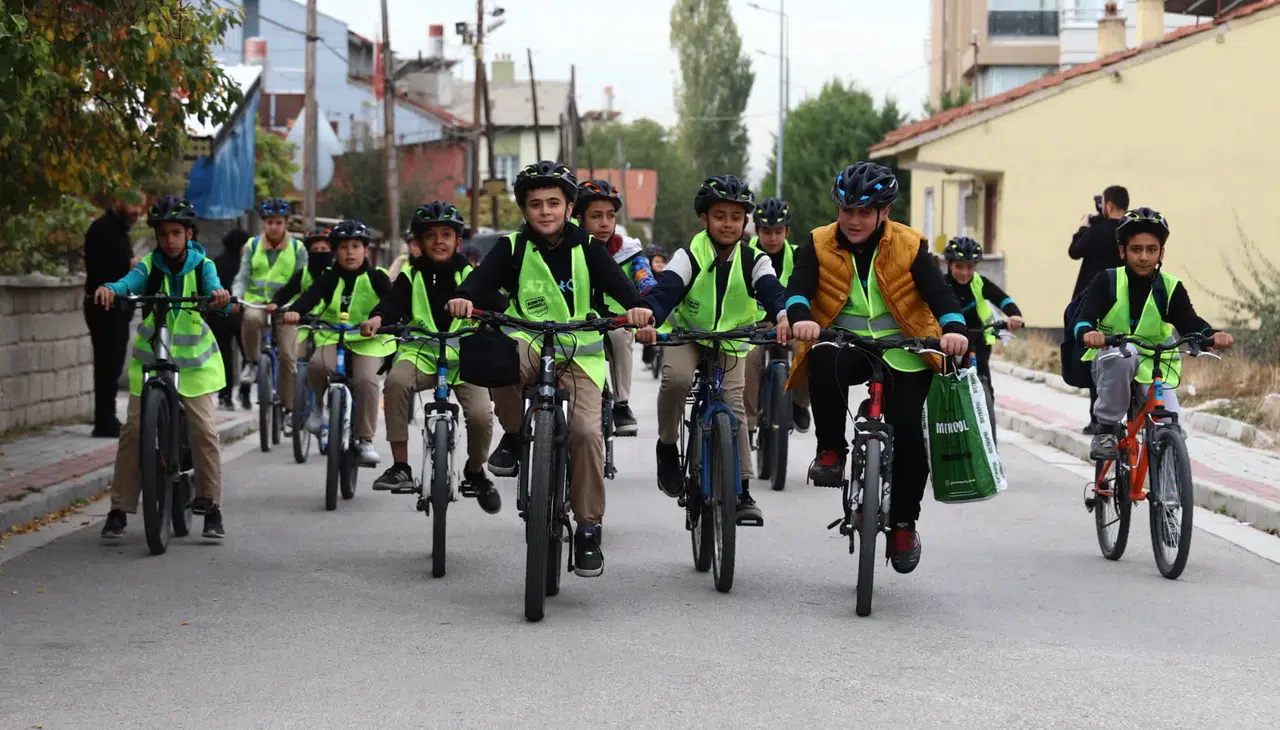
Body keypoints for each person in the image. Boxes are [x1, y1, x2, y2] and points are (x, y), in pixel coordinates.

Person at [448, 160, 654, 578]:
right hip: (529, 341)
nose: (545, 211)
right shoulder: (511, 247)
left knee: (585, 433)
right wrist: (463, 298)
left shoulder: (590, 249)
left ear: (568, 207)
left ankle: (589, 528)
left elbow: (624, 289)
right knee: (497, 358)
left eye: (554, 203)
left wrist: (639, 309)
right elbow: (477, 282)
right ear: (524, 209)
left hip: (581, 352)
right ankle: (513, 433)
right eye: (536, 204)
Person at [788, 162, 969, 575]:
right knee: (820, 357)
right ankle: (831, 451)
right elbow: (799, 287)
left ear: (884, 213)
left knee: (909, 434)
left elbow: (938, 294)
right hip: (846, 343)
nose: (853, 220)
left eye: (864, 212)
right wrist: (801, 316)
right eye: (846, 210)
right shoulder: (817, 242)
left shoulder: (910, 245)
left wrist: (953, 328)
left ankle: (904, 524)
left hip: (905, 346)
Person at [636, 175, 791, 526]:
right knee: (675, 380)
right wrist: (650, 318)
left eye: (736, 218)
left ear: (745, 222)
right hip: (690, 335)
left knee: (735, 406)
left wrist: (783, 316)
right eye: (719, 216)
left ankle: (742, 490)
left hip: (732, 340)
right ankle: (666, 447)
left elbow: (771, 291)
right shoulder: (689, 255)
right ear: (704, 219)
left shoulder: (754, 260)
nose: (728, 224)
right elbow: (666, 290)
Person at [93, 196, 232, 540]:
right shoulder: (149, 266)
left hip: (194, 366)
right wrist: (111, 290)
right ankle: (119, 509)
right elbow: (127, 284)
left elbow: (215, 290)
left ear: (188, 233)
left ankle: (211, 506)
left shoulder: (203, 266)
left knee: (204, 431)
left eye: (175, 233)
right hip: (152, 362)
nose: (168, 240)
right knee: (134, 431)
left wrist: (219, 297)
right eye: (162, 234)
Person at [362, 201, 502, 513]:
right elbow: (391, 304)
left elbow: (498, 304)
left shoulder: (471, 274)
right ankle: (400, 466)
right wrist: (376, 319)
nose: (439, 241)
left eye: (446, 234)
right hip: (421, 353)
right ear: (419, 243)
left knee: (481, 414)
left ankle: (476, 473)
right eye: (430, 236)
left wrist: (498, 317)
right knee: (395, 382)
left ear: (458, 241)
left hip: (465, 357)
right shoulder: (411, 275)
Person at [1075, 208, 1232, 460]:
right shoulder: (1107, 281)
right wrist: (1088, 333)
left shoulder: (1170, 287)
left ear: (1161, 253)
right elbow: (1084, 319)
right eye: (1136, 249)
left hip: (1156, 363)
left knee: (1172, 428)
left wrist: (1210, 335)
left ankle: (1169, 492)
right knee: (1122, 357)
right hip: (1113, 358)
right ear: (1122, 251)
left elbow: (1189, 321)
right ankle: (1105, 429)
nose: (1144, 257)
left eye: (1152, 249)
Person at [281, 220, 393, 468]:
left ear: (366, 250)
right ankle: (320, 408)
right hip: (333, 335)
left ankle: (365, 440)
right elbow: (310, 298)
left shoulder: (377, 277)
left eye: (356, 246)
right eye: (343, 247)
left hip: (368, 341)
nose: (350, 252)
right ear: (335, 252)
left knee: (367, 380)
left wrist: (382, 319)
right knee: (317, 365)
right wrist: (295, 312)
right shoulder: (329, 278)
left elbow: (392, 303)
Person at [573, 178, 658, 437]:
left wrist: (649, 314)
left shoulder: (629, 251)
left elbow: (647, 284)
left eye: (610, 216)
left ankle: (621, 404)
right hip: (573, 323)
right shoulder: (568, 249)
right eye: (596, 216)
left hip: (615, 322)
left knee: (620, 336)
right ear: (579, 219)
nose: (605, 223)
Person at [743, 197, 812, 436]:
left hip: (790, 322)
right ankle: (749, 420)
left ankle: (799, 404)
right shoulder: (744, 254)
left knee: (808, 349)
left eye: (778, 232)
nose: (772, 238)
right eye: (766, 232)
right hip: (754, 323)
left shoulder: (799, 255)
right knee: (749, 357)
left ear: (787, 231)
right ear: (757, 230)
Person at [232, 199, 306, 411]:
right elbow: (243, 277)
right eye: (270, 222)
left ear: (286, 223)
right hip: (257, 302)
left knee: (287, 357)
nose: (274, 227)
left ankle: (289, 407)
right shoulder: (252, 245)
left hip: (287, 306)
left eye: (278, 222)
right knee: (251, 319)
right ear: (264, 223)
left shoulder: (298, 249)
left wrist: (296, 306)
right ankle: (252, 362)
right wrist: (236, 296)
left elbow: (303, 281)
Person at [82, 193, 144, 437]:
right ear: (118, 202)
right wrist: (129, 267)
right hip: (104, 306)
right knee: (108, 365)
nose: (137, 210)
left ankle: (106, 418)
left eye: (140, 205)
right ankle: (104, 421)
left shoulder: (120, 230)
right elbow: (104, 269)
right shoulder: (104, 229)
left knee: (113, 364)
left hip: (116, 307)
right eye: (133, 204)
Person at [1069, 185, 1128, 434]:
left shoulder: (1095, 231)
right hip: (1123, 302)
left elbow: (1075, 251)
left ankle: (1098, 417)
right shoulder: (1129, 233)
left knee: (1097, 357)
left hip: (1092, 303)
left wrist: (1083, 227)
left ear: (1109, 205)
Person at [941, 236, 1024, 393]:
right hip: (947, 337)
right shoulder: (941, 283)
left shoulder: (980, 282)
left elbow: (1003, 299)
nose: (965, 273)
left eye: (970, 267)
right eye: (959, 266)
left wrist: (1015, 315)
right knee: (941, 378)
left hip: (976, 337)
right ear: (949, 264)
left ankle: (986, 405)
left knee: (982, 377)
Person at [211, 228, 250, 410]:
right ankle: (245, 392)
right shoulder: (246, 265)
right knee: (249, 356)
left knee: (224, 357)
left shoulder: (216, 263)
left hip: (219, 317)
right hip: (242, 315)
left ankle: (224, 395)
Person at [641, 247, 670, 366]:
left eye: (662, 262)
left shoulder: (669, 277)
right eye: (656, 262)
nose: (660, 265)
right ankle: (648, 358)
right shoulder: (647, 278)